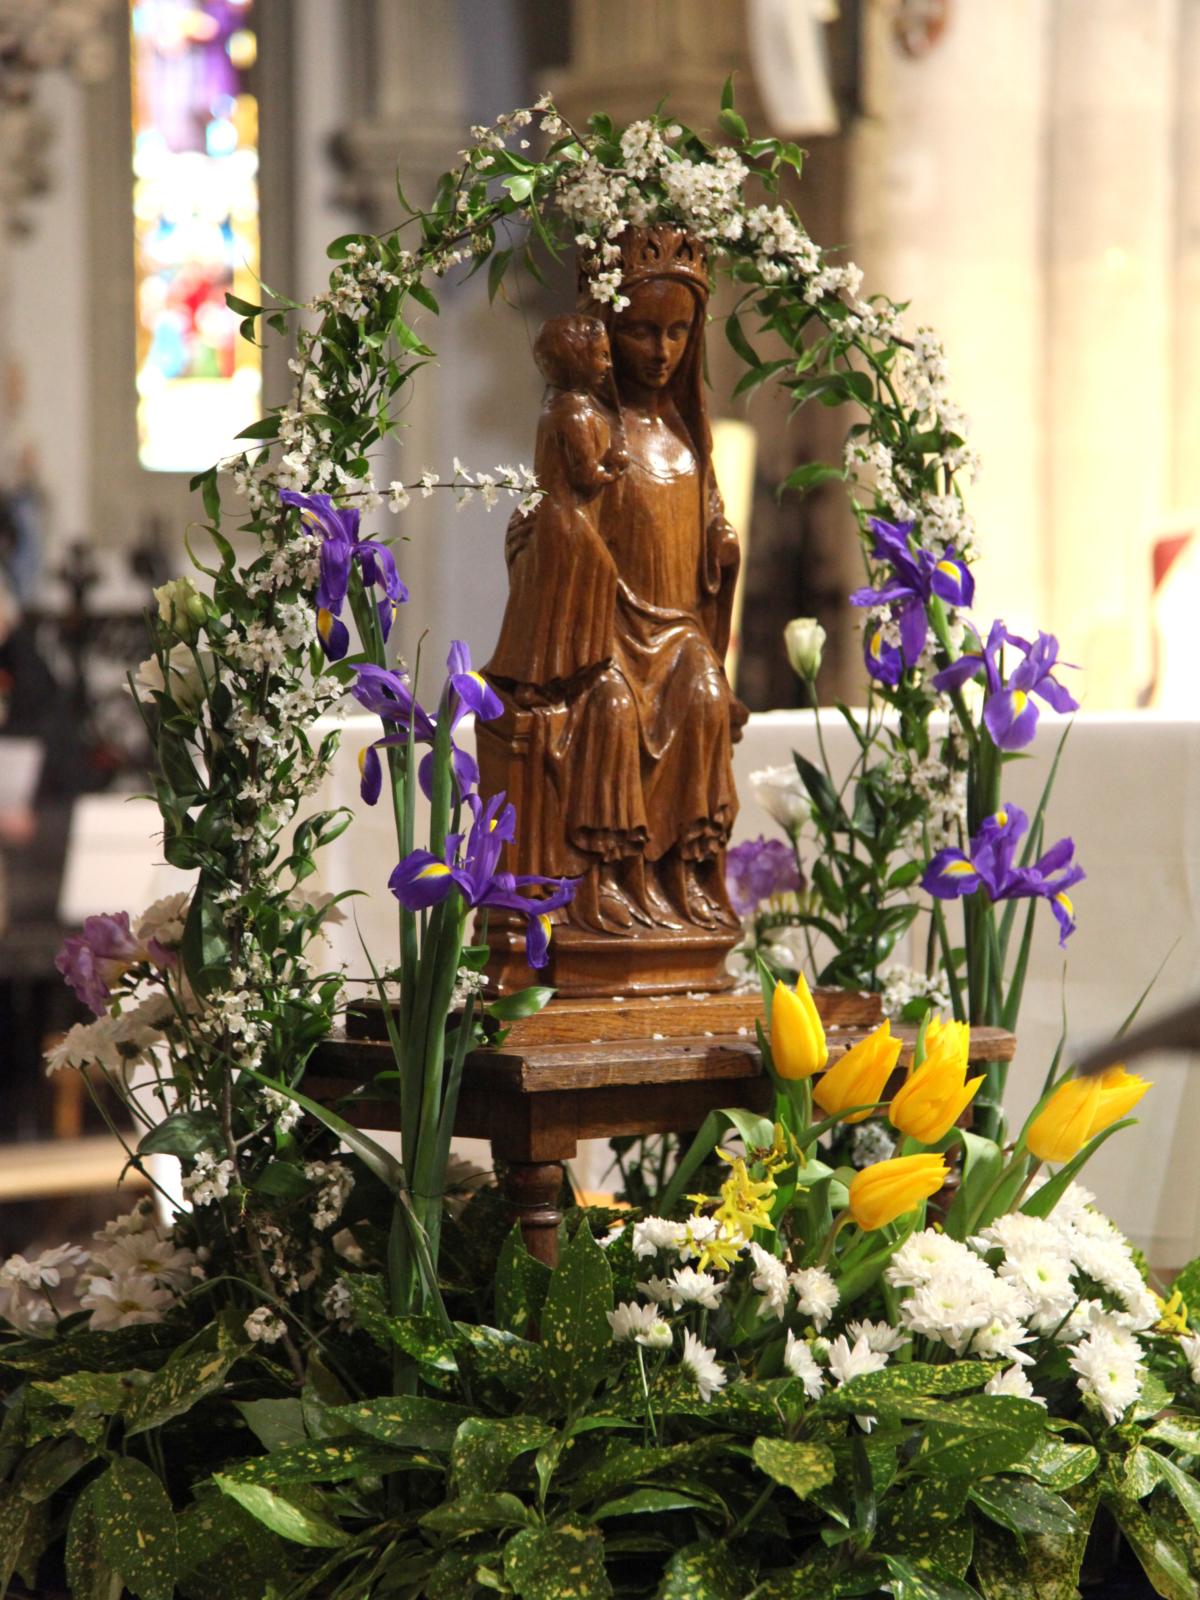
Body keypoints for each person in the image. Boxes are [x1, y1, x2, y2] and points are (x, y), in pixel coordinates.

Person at [482, 225, 743, 958]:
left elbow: (708, 546)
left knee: (701, 692)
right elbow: (538, 533)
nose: (660, 352)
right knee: (610, 706)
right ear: (602, 335)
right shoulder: (587, 425)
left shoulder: (690, 443)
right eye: (638, 333)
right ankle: (606, 881)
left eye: (678, 333)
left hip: (678, 632)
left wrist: (723, 547)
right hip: (605, 636)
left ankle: (682, 877)